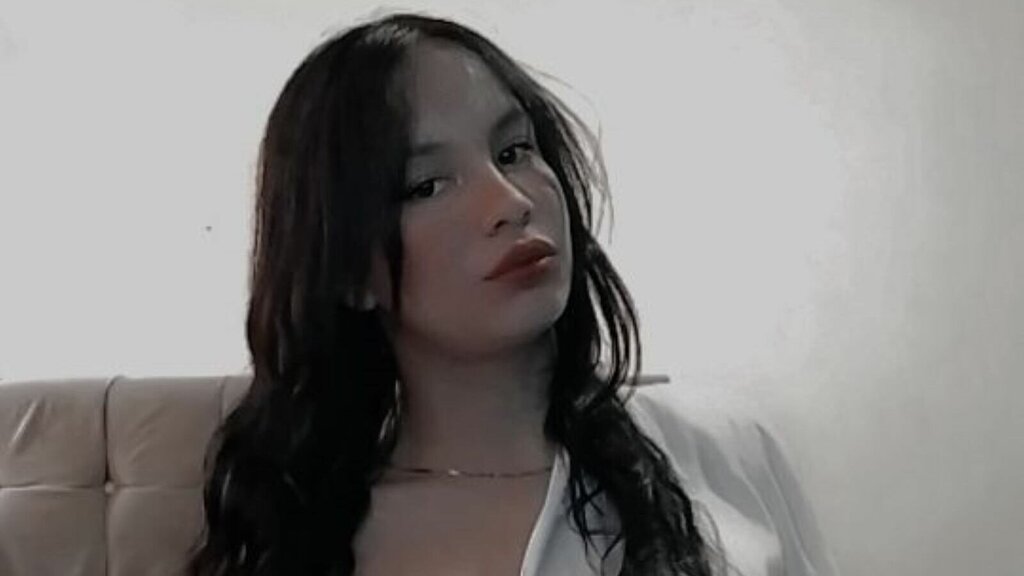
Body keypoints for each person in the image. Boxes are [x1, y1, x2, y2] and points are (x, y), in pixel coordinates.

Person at [186, 11, 839, 576]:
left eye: (514, 150)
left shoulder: (723, 449)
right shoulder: (306, 538)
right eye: (426, 185)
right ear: (349, 272)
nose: (510, 202)